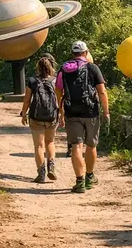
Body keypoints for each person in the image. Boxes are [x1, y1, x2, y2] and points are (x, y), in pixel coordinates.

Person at [56, 41, 109, 194]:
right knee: (91, 145)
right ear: (86, 53)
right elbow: (102, 91)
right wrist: (106, 111)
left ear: (72, 54)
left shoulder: (64, 69)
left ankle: (79, 182)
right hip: (91, 111)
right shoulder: (92, 68)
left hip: (71, 111)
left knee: (76, 146)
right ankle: (89, 177)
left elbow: (58, 91)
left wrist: (61, 113)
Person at [20, 55, 60, 183]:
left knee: (38, 145)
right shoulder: (55, 81)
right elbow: (60, 100)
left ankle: (41, 173)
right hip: (52, 116)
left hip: (36, 117)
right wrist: (62, 115)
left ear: (38, 67)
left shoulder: (32, 81)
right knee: (50, 142)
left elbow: (27, 100)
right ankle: (51, 166)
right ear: (51, 67)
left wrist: (24, 114)